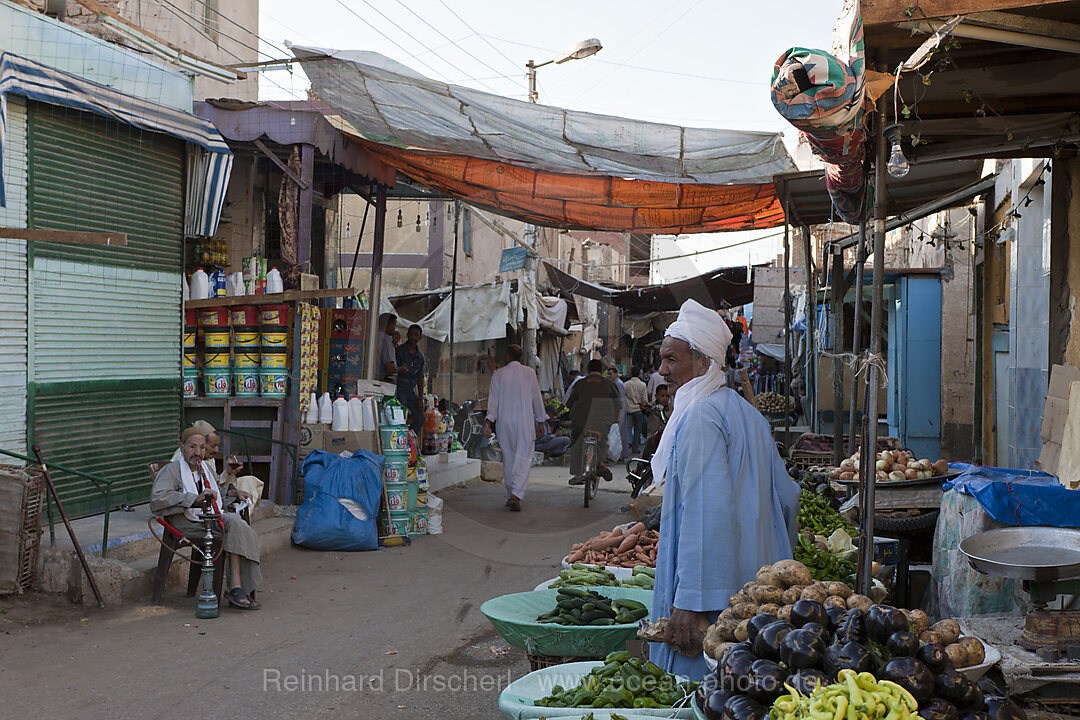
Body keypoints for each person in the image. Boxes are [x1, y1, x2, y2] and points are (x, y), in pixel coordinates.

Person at [648, 299, 799, 680]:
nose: (662, 371)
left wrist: (692, 602)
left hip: (716, 603)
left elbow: (706, 513)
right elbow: (788, 498)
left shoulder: (700, 416)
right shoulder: (747, 413)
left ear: (702, 361)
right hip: (757, 592)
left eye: (671, 359)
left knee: (705, 690)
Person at [152, 428, 262, 610]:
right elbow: (157, 499)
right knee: (236, 525)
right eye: (192, 447)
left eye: (202, 448)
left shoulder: (206, 469)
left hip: (208, 520)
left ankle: (237, 587)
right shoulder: (172, 470)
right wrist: (192, 499)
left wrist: (232, 493)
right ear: (182, 447)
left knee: (238, 527)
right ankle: (236, 588)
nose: (198, 452)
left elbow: (215, 497)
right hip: (186, 524)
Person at [485, 345, 546, 511]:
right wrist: (541, 421)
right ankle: (516, 494)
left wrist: (489, 422)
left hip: (504, 423)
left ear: (506, 357)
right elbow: (536, 398)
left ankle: (511, 493)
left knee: (509, 459)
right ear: (520, 357)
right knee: (523, 458)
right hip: (524, 423)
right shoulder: (529, 373)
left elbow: (493, 401)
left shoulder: (498, 374)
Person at [170, 421, 264, 506]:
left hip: (209, 503)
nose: (217, 450)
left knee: (250, 482)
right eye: (213, 446)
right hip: (190, 509)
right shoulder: (182, 459)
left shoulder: (207, 460)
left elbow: (215, 485)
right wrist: (195, 499)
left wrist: (228, 472)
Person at [564, 359, 620, 485]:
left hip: (581, 421)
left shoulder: (580, 383)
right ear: (602, 371)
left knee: (577, 442)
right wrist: (614, 419)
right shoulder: (609, 383)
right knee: (602, 441)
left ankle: (578, 474)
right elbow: (618, 404)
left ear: (588, 370)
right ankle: (600, 463)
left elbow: (569, 402)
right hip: (602, 422)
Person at [395, 324, 426, 439]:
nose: (413, 337)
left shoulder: (420, 357)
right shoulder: (400, 351)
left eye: (416, 335)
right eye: (411, 334)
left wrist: (421, 399)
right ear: (407, 335)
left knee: (420, 417)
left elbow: (420, 377)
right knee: (400, 416)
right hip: (400, 387)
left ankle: (408, 439)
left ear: (420, 337)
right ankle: (399, 440)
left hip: (411, 390)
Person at [607, 367, 631, 460]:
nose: (609, 376)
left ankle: (620, 455)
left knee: (619, 433)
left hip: (619, 411)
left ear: (616, 374)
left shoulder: (618, 384)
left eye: (611, 374)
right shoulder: (615, 383)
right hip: (618, 410)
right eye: (608, 374)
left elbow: (620, 400)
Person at [623, 366, 649, 454]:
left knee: (627, 429)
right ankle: (635, 448)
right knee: (638, 430)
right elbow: (644, 399)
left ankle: (627, 447)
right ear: (639, 374)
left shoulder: (625, 384)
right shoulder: (642, 385)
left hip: (628, 409)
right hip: (638, 409)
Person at [376, 313, 399, 383]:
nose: (395, 328)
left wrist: (394, 344)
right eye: (394, 325)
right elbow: (389, 367)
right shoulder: (386, 340)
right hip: (383, 381)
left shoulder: (375, 336)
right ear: (388, 325)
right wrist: (401, 369)